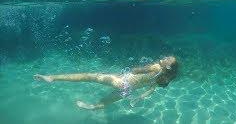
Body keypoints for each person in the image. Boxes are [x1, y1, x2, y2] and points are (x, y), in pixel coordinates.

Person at [34, 56, 178, 110]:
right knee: (106, 101)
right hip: (128, 90)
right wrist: (138, 98)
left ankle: (52, 77)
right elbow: (151, 90)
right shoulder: (163, 77)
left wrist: (146, 64)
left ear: (167, 65)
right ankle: (91, 107)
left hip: (122, 81)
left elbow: (135, 70)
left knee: (88, 76)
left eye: (167, 59)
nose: (164, 57)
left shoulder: (157, 67)